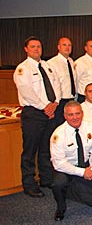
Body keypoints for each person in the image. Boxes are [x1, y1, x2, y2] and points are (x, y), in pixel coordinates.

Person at [13, 36, 61, 198]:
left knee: (46, 148)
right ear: (26, 49)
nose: (36, 49)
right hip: (34, 113)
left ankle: (46, 179)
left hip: (50, 111)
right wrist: (45, 106)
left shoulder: (47, 66)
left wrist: (55, 103)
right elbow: (27, 91)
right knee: (30, 150)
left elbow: (57, 85)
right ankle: (29, 184)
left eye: (38, 47)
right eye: (33, 47)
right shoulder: (23, 69)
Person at [50, 101, 92, 221]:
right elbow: (59, 164)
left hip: (85, 165)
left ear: (82, 113)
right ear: (65, 116)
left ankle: (71, 189)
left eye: (77, 113)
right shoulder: (58, 134)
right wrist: (82, 173)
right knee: (58, 184)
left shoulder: (91, 127)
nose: (75, 117)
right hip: (65, 169)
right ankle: (61, 207)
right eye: (71, 115)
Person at [47, 37, 77, 126]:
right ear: (58, 47)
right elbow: (51, 86)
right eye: (64, 45)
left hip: (71, 100)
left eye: (69, 45)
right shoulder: (52, 63)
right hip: (59, 102)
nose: (67, 47)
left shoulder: (71, 62)